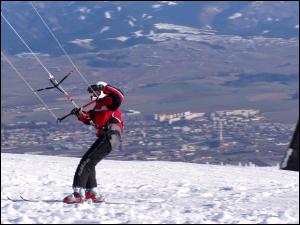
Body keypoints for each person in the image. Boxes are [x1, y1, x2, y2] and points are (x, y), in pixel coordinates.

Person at [63, 81, 124, 204]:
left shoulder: (110, 102)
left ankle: (78, 194)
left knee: (86, 162)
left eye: (95, 91)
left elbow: (120, 96)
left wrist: (105, 87)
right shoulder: (98, 106)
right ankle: (91, 193)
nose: (92, 94)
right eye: (91, 92)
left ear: (102, 91)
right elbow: (89, 119)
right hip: (107, 137)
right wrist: (80, 115)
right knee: (89, 163)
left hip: (110, 136)